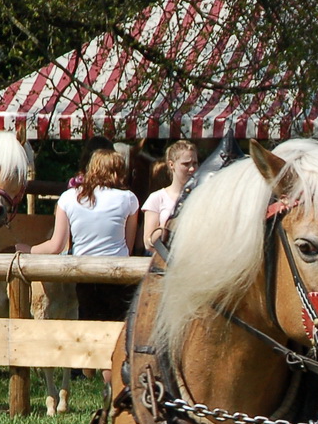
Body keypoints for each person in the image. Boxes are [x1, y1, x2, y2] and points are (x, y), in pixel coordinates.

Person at [18, 147, 139, 325]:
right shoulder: (129, 199)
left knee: (87, 320)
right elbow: (128, 247)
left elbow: (56, 246)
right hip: (117, 274)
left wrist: (29, 249)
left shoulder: (68, 198)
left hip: (84, 272)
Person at [141, 139, 199, 251]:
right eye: (186, 164)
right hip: (165, 263)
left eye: (195, 163)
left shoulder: (202, 195)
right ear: (171, 165)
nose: (192, 169)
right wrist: (168, 226)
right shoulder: (157, 198)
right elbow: (148, 244)